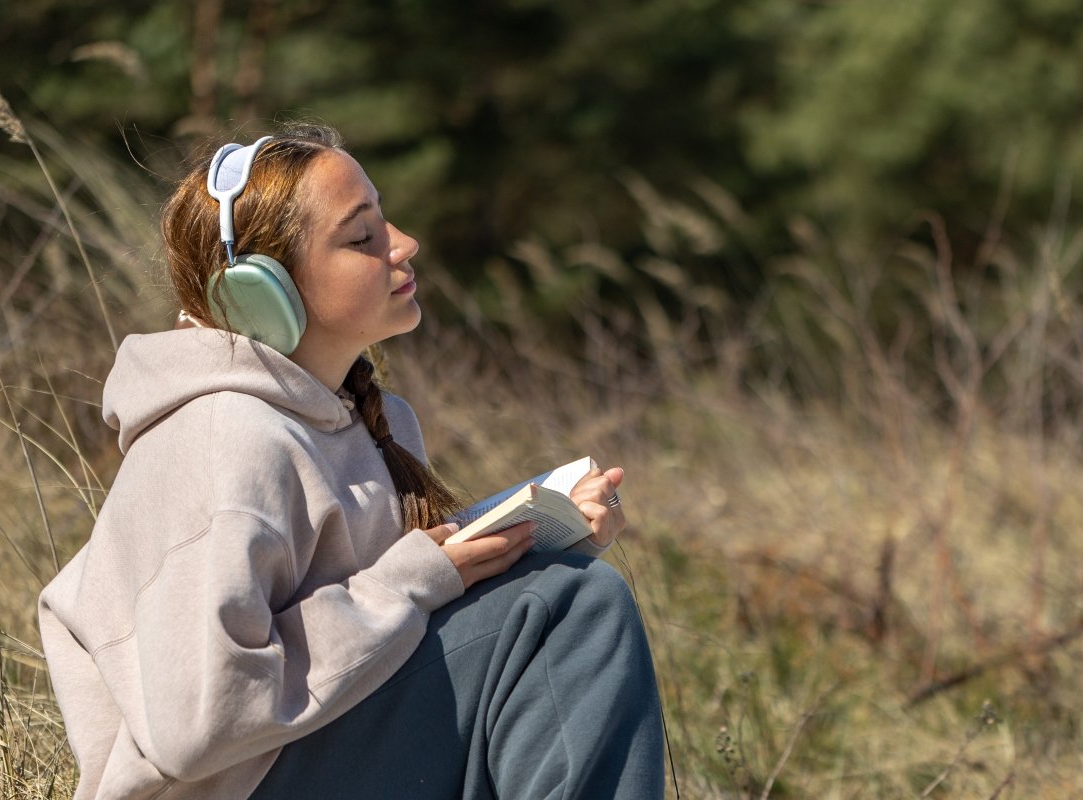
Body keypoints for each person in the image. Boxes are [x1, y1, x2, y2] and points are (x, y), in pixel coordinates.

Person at [38, 122, 664, 800]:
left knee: (560, 591)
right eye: (362, 238)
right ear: (261, 292)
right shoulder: (222, 436)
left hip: (314, 763)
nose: (404, 245)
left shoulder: (374, 419)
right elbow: (195, 722)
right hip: (238, 785)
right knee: (573, 606)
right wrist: (416, 581)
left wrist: (533, 542)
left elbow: (391, 630)